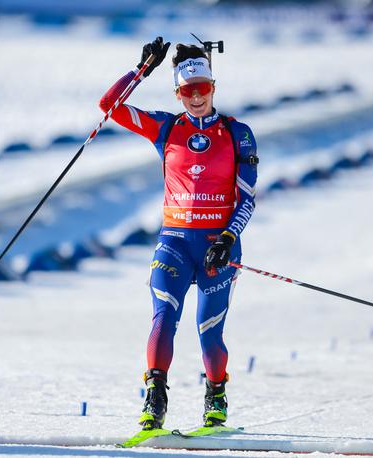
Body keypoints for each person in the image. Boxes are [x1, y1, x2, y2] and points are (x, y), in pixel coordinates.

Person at [98, 37, 258, 430]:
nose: (196, 98)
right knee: (163, 317)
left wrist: (227, 239)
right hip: (173, 242)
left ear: (213, 88)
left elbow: (248, 199)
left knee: (208, 331)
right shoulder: (166, 127)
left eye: (202, 89)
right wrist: (140, 71)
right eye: (188, 91)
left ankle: (216, 397)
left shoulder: (237, 133)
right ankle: (154, 401)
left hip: (216, 250)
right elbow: (110, 107)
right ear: (178, 92)